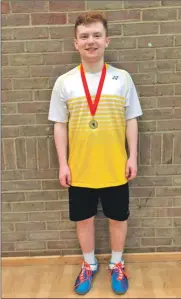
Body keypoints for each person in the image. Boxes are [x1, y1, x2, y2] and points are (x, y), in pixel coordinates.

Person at [48, 11, 143, 295]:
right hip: (80, 169)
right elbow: (60, 125)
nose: (91, 41)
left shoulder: (122, 78)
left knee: (118, 219)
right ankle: (89, 264)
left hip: (115, 166)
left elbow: (132, 120)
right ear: (75, 43)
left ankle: (116, 263)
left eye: (97, 35)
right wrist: (63, 164)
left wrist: (133, 156)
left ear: (107, 41)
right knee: (84, 220)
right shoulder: (65, 82)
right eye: (85, 36)